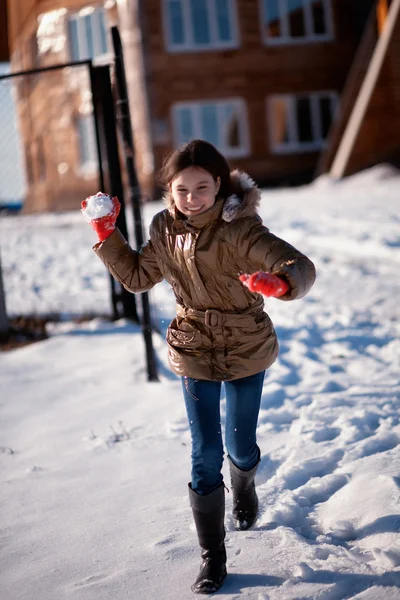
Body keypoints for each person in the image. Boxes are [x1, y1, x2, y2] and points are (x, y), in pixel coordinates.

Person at [81, 139, 316, 595]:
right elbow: (137, 277)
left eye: (202, 187)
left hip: (245, 342)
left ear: (219, 186)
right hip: (193, 345)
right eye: (182, 189)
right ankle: (213, 556)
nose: (192, 198)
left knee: (239, 444)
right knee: (205, 450)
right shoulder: (164, 229)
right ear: (170, 190)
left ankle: (244, 483)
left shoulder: (241, 229)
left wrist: (281, 281)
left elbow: (297, 264)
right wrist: (106, 235)